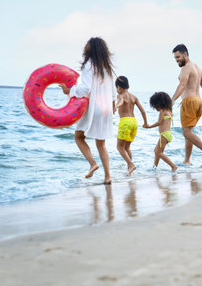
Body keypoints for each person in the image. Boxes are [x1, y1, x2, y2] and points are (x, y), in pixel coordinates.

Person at [59, 37, 115, 184]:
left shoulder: (89, 65)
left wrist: (69, 91)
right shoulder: (107, 68)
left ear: (89, 49)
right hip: (106, 108)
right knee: (101, 144)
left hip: (94, 107)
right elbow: (113, 91)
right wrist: (113, 107)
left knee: (78, 137)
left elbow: (85, 88)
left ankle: (92, 163)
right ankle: (108, 177)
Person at [171, 44, 202, 167]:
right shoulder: (196, 67)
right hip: (198, 102)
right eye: (175, 58)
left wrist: (172, 99)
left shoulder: (186, 68)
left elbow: (182, 85)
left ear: (185, 54)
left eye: (178, 57)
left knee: (186, 133)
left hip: (189, 102)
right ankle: (187, 160)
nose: (177, 60)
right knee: (189, 132)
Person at [114, 76, 148, 176]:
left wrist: (115, 106)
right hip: (134, 122)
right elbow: (143, 111)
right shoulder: (133, 97)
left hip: (125, 122)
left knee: (120, 147)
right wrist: (145, 123)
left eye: (116, 88)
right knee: (127, 147)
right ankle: (129, 168)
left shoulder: (120, 96)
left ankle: (131, 164)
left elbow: (121, 102)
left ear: (119, 87)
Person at [144, 92, 178, 172]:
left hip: (164, 135)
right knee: (157, 151)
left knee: (158, 152)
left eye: (155, 106)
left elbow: (159, 122)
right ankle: (154, 167)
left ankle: (173, 166)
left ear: (160, 103)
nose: (155, 108)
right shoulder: (169, 110)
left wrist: (149, 126)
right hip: (167, 134)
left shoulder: (163, 111)